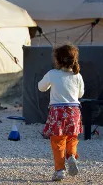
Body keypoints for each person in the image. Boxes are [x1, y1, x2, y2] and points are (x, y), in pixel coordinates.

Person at [38, 44, 84, 181]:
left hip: (57, 112)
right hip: (74, 111)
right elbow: (80, 94)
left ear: (57, 60)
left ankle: (60, 171)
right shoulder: (78, 76)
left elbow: (41, 87)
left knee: (58, 142)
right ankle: (71, 156)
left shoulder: (52, 74)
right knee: (72, 138)